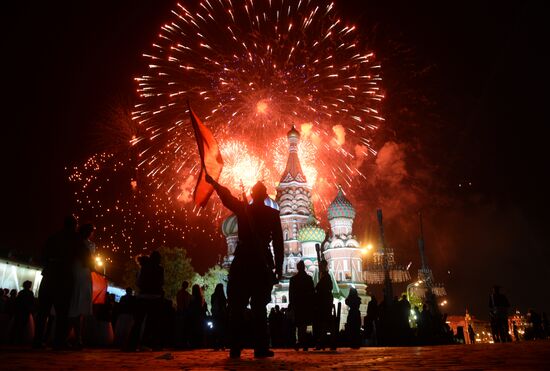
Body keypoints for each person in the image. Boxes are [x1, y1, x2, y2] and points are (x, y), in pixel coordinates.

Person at [206, 174, 284, 358]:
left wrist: (214, 183)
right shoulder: (272, 214)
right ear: (265, 195)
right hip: (261, 261)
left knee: (237, 308)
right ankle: (261, 347)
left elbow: (226, 197)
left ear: (251, 193)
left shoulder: (243, 209)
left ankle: (235, 347)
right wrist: (278, 267)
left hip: (242, 260)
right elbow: (279, 243)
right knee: (259, 308)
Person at [33, 215, 79, 349]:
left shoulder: (53, 237)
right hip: (64, 277)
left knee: (43, 312)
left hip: (49, 275)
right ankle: (59, 341)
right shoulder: (75, 239)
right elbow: (82, 256)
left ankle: (37, 341)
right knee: (62, 313)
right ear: (74, 225)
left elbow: (43, 255)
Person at [125, 251, 164, 351]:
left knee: (138, 322)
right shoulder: (160, 269)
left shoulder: (144, 267)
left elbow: (138, 282)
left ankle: (131, 345)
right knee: (151, 323)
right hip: (155, 298)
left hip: (142, 297)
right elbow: (161, 283)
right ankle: (146, 344)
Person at [68, 223, 96, 348]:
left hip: (82, 272)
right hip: (80, 272)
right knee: (76, 304)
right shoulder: (81, 243)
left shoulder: (81, 243)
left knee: (78, 306)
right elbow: (88, 261)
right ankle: (76, 338)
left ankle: (76, 337)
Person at [289, 260, 314, 351]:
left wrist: (291, 305)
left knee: (299, 324)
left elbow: (291, 294)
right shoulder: (308, 279)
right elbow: (312, 293)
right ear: (304, 267)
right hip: (306, 305)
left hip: (297, 305)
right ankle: (303, 343)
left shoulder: (293, 279)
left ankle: (300, 342)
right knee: (303, 325)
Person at [314, 259, 334, 350]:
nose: (320, 268)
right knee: (323, 323)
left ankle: (323, 342)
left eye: (321, 266)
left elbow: (320, 287)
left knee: (323, 323)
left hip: (324, 304)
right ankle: (323, 342)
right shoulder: (325, 276)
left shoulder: (326, 276)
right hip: (325, 303)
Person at [188, 284, 208, 348]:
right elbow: (204, 307)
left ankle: (194, 343)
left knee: (194, 329)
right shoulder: (201, 298)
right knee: (200, 329)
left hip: (193, 316)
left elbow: (190, 306)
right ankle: (201, 343)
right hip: (200, 316)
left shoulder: (192, 298)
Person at [211, 283, 227, 350]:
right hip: (221, 315)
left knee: (215, 329)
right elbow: (224, 306)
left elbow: (212, 304)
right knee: (222, 330)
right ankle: (222, 344)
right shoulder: (222, 296)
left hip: (215, 314)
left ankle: (215, 345)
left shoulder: (213, 295)